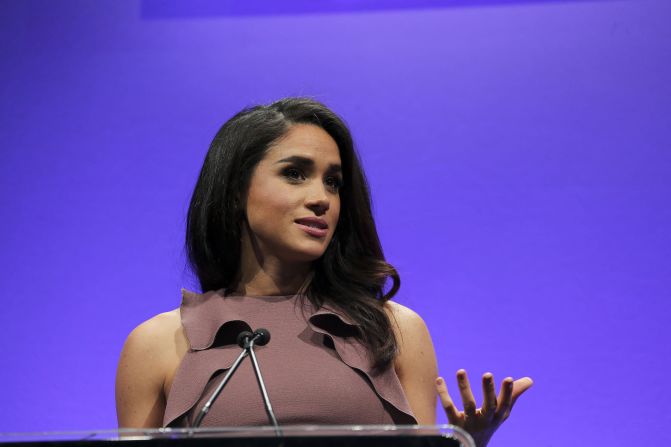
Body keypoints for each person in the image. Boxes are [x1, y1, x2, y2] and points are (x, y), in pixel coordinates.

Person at [115, 97, 533, 446]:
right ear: (235, 190)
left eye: (332, 182)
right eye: (294, 174)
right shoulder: (157, 345)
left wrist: (468, 443)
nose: (321, 198)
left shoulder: (394, 330)